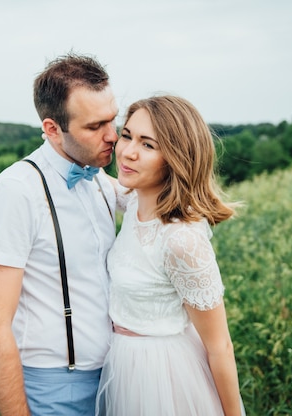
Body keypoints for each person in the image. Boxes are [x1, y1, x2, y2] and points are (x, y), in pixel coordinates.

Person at [0, 53, 119, 416]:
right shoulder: (15, 192)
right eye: (95, 126)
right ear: (53, 129)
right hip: (56, 389)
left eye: (113, 119)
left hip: (117, 377)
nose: (113, 136)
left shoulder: (97, 176)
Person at [96, 95, 245, 415]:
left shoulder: (181, 240)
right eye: (127, 135)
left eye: (148, 145)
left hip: (162, 375)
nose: (128, 152)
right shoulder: (136, 198)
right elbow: (102, 182)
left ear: (176, 157)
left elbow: (220, 346)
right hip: (123, 361)